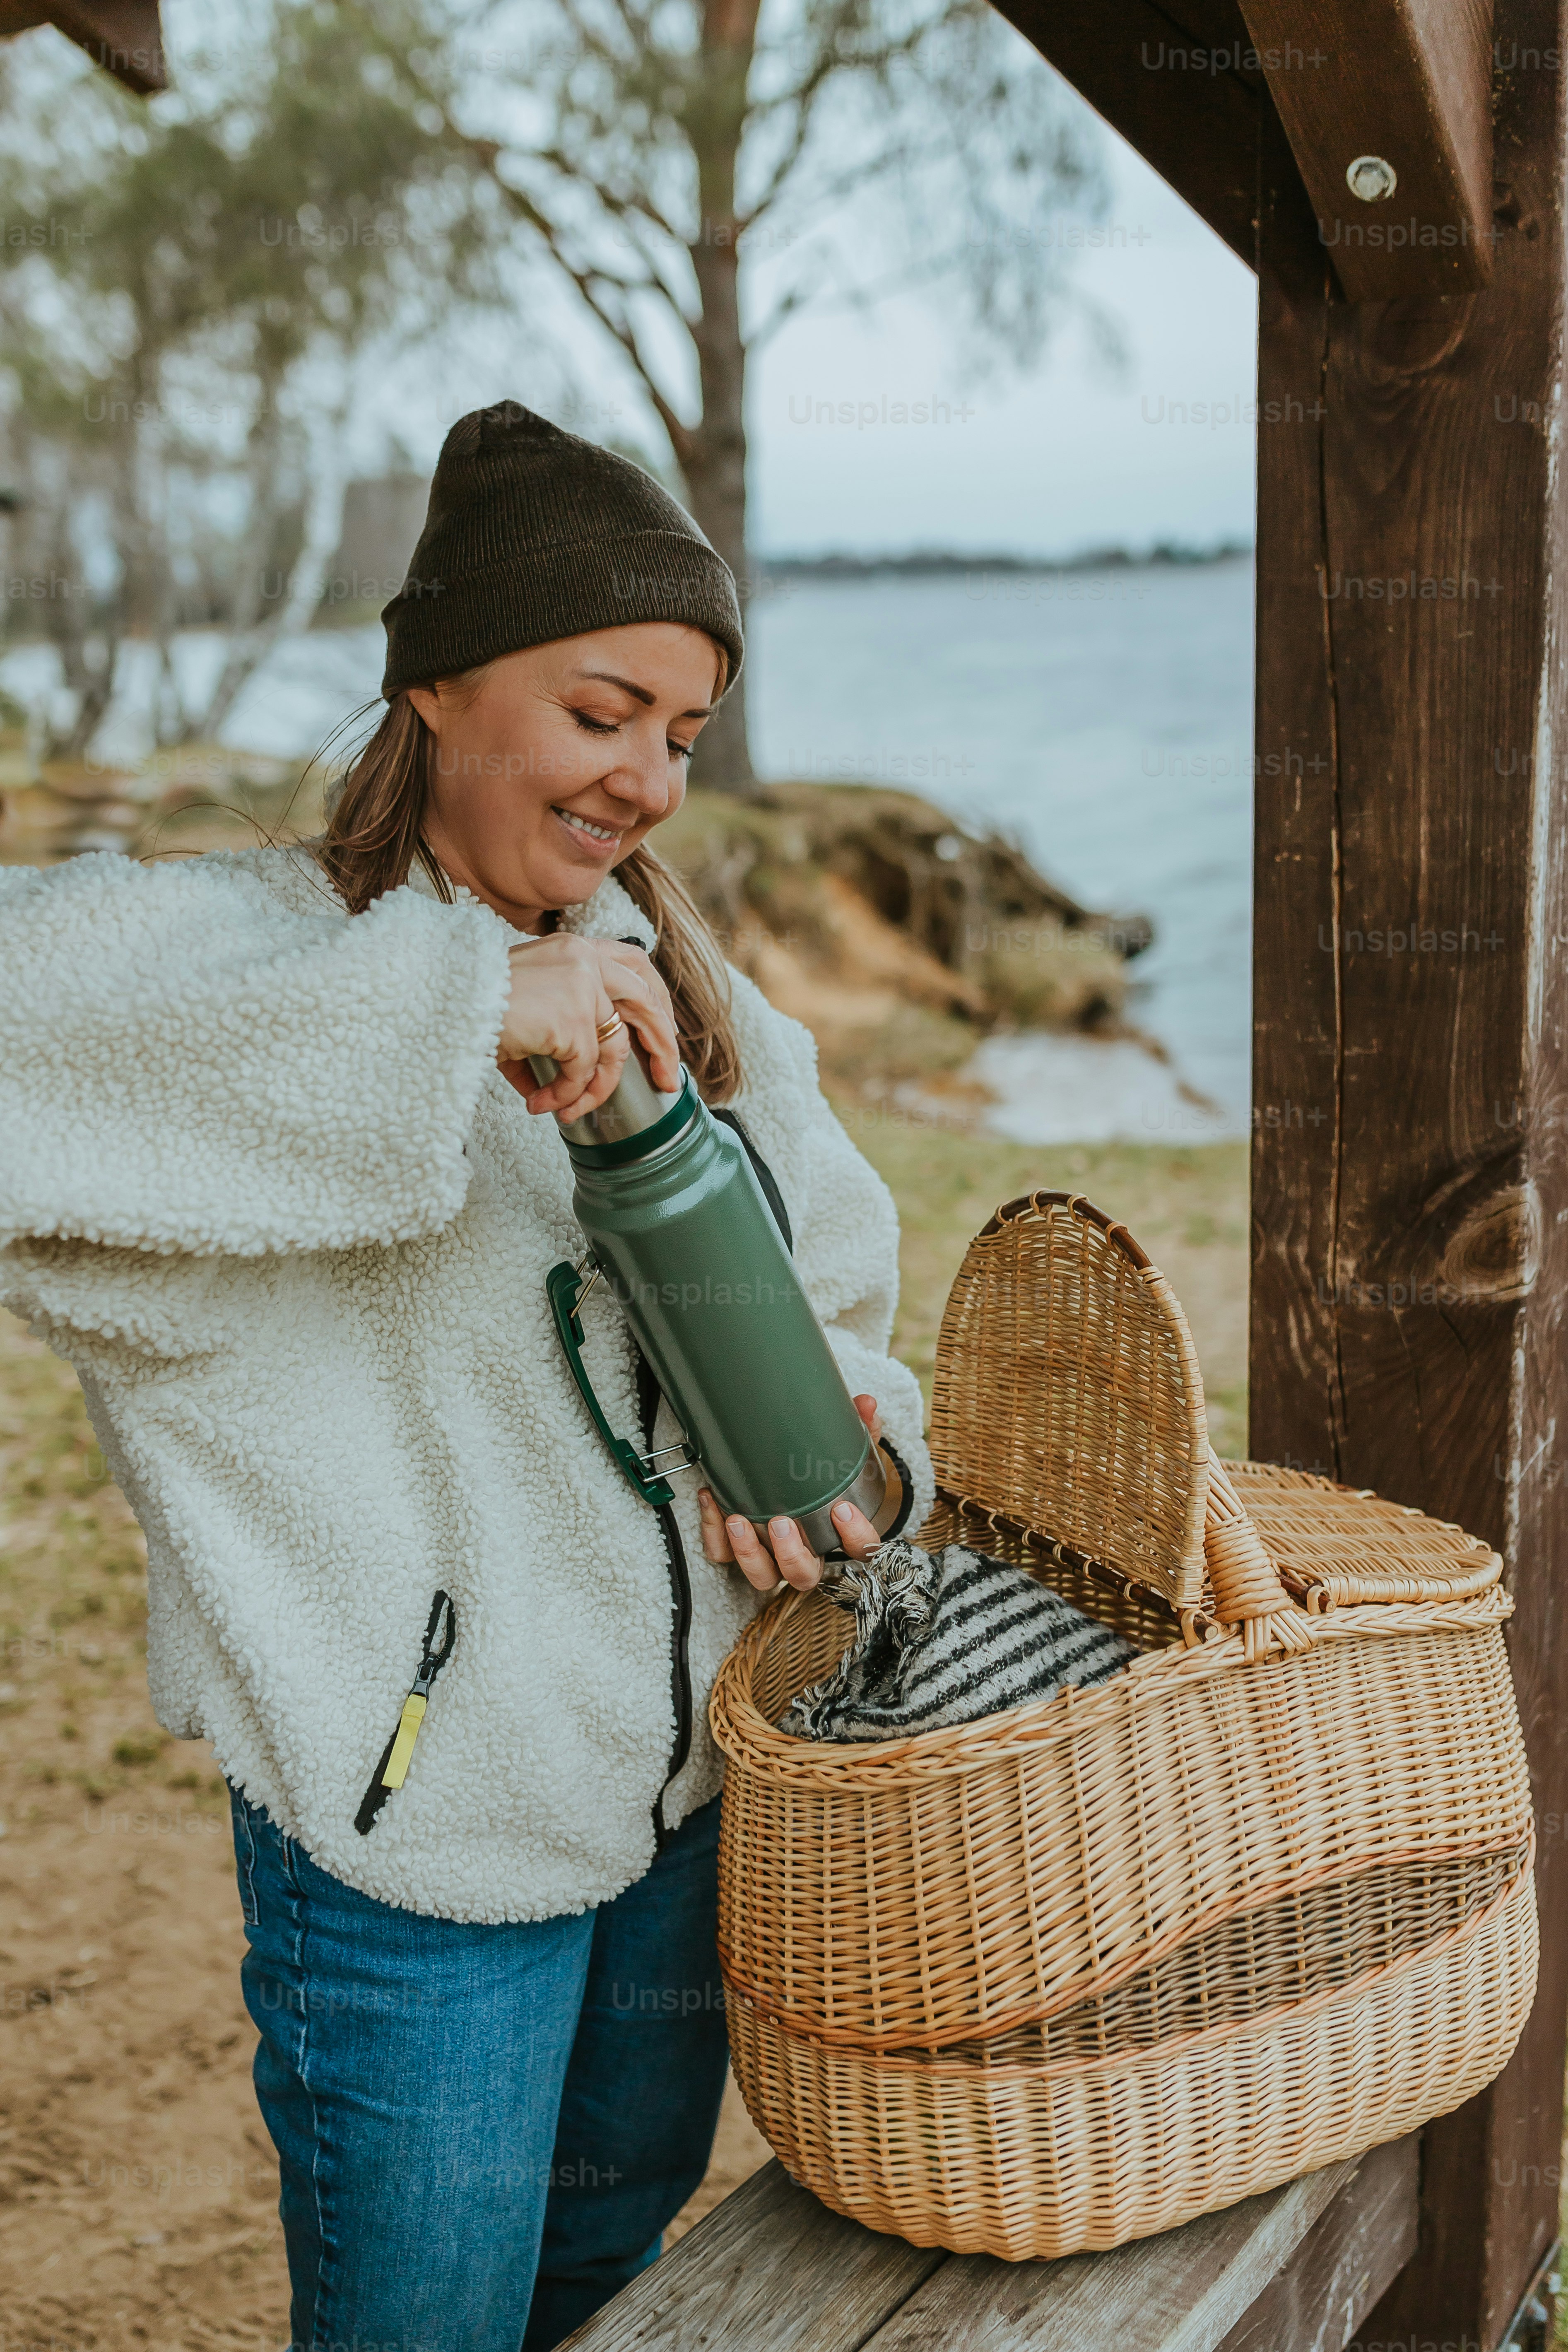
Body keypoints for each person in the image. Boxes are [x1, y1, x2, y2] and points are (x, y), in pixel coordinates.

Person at [0, 402, 932, 2352]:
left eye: (680, 737)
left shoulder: (693, 991)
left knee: (608, 2288)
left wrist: (862, 1446)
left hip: (683, 1809)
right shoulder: (255, 952)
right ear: (435, 678)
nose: (647, 782)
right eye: (602, 712)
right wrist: (441, 1011)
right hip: (414, 1842)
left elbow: (848, 1304)